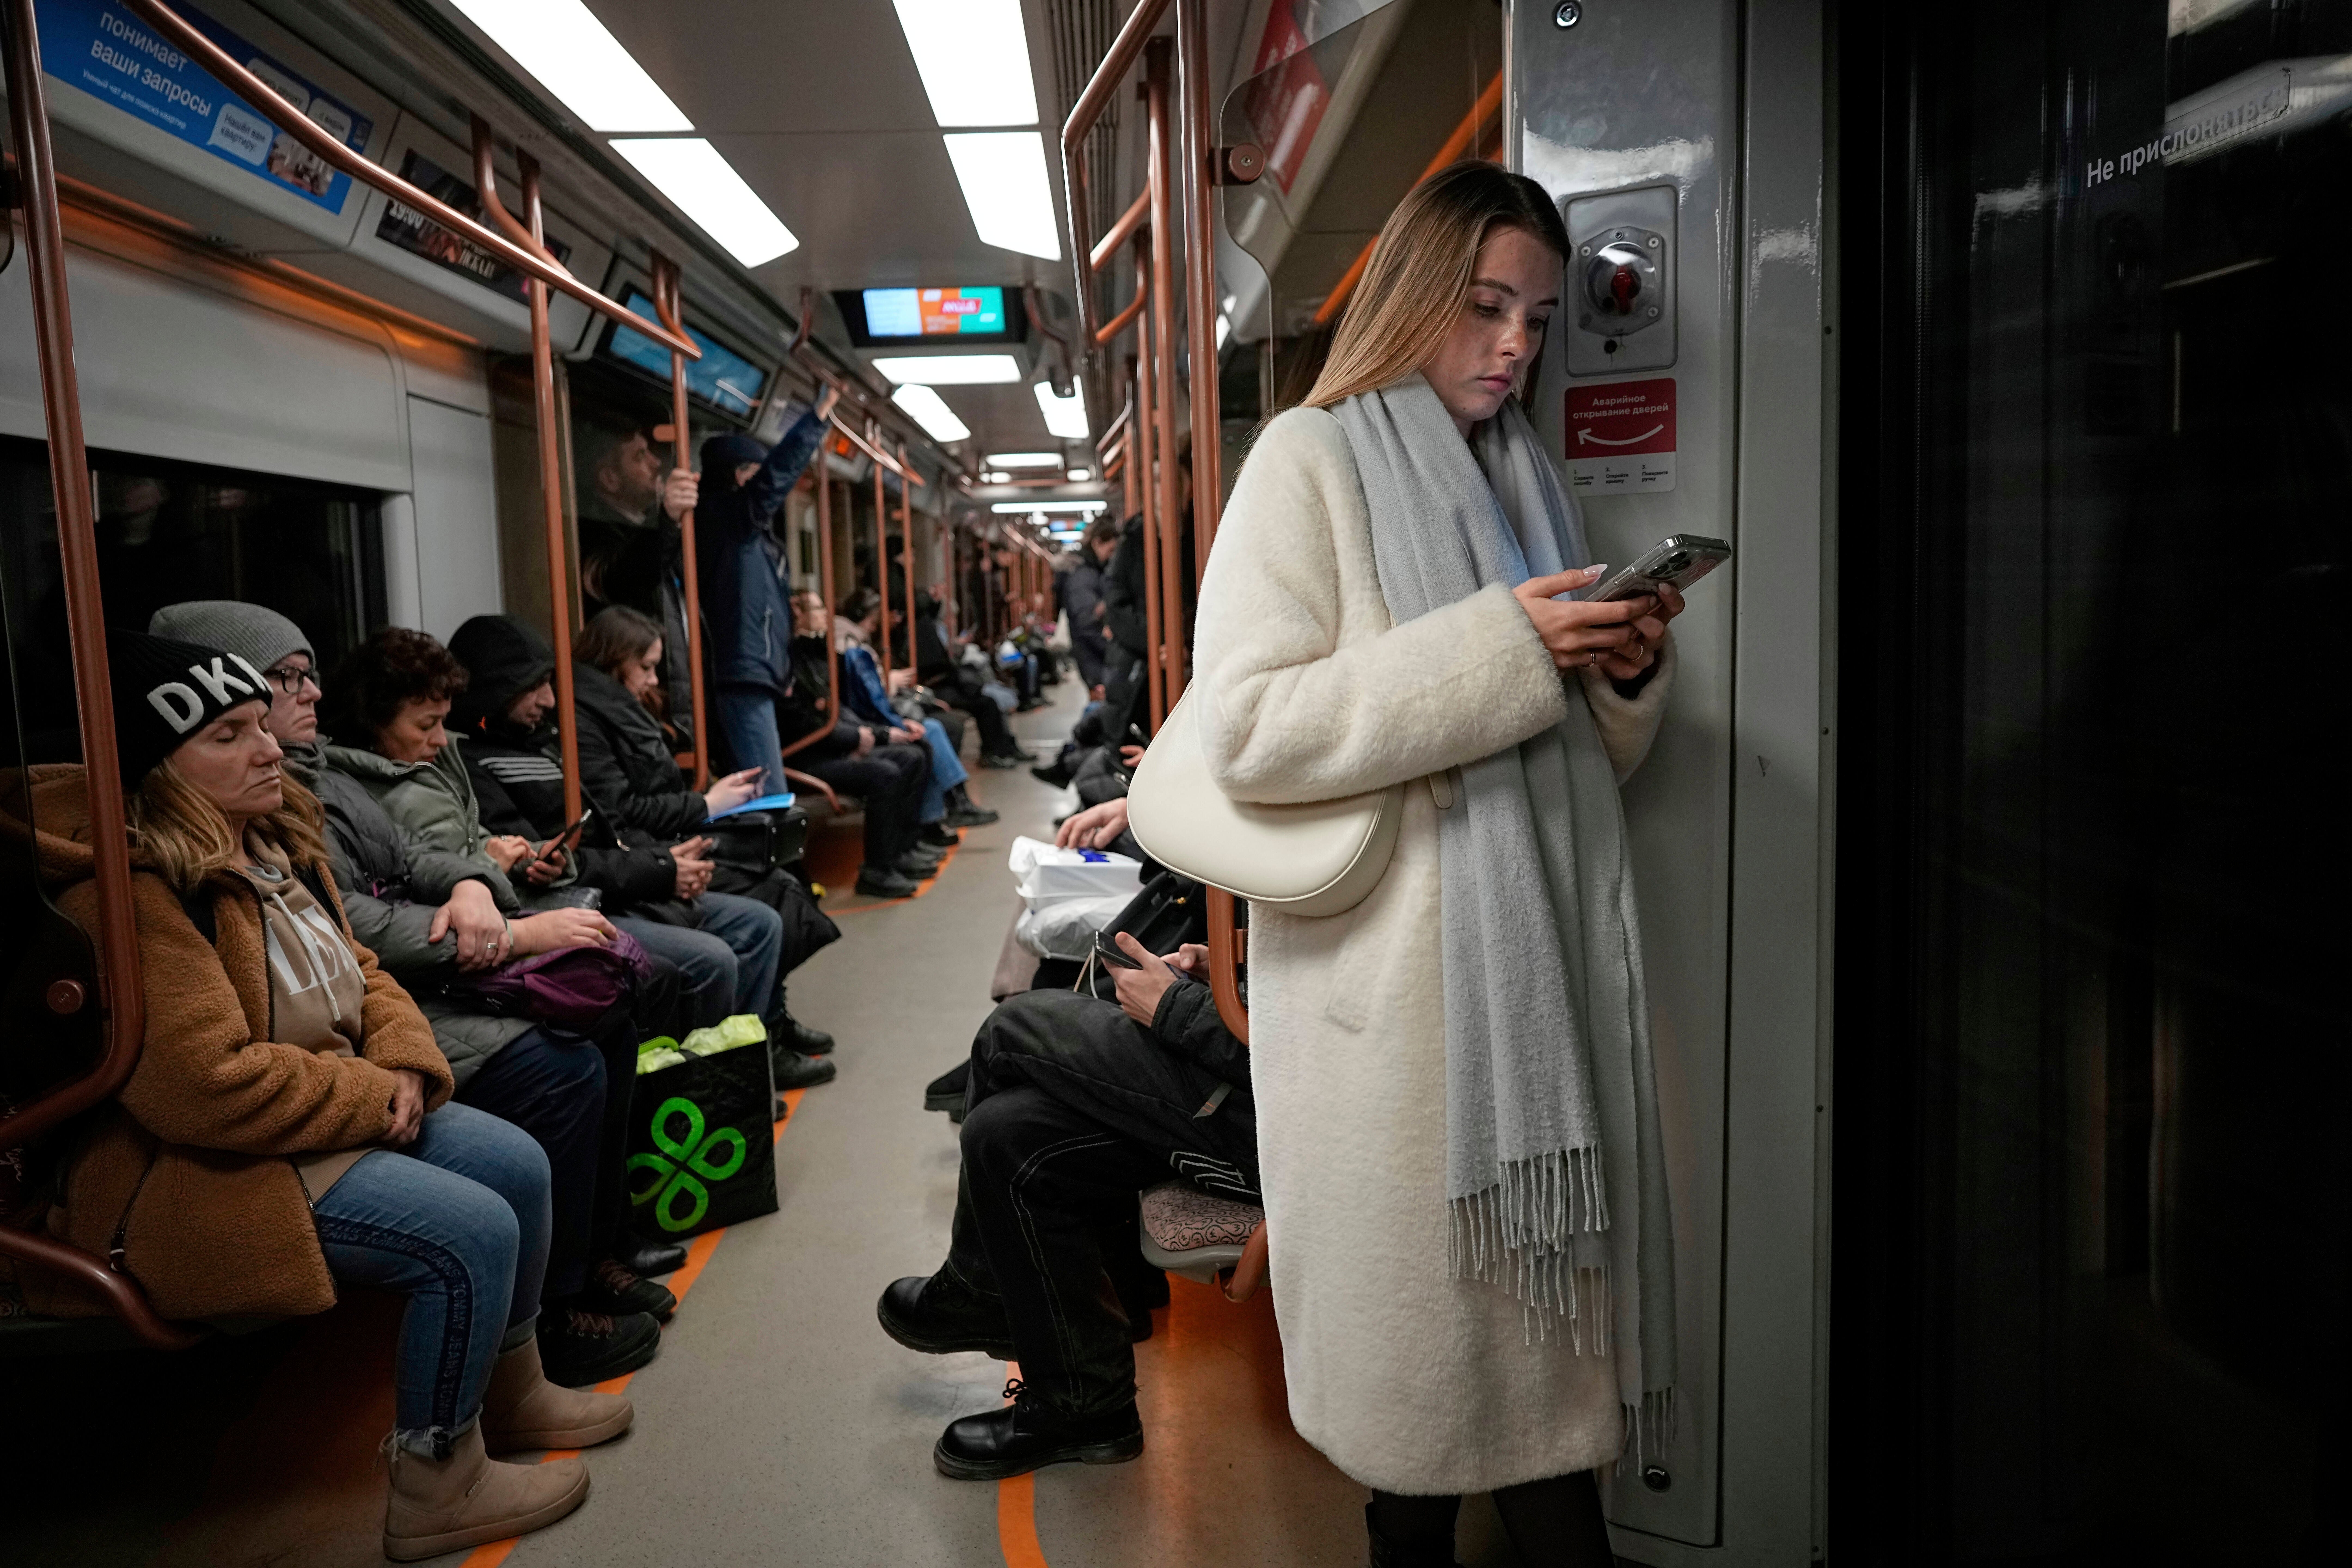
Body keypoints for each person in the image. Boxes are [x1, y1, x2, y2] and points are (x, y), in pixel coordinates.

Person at [1186, 161, 1686, 1566]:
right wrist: (1511, 649)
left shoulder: (1528, 478)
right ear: (1414, 297)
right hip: (1397, 1020)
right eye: (1484, 308)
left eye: (1536, 316)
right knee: (1428, 1416)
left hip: (1531, 998)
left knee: (1499, 1412)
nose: (1516, 345)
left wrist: (1617, 678)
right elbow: (1250, 729)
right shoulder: (1311, 457)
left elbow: (1573, 773)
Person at [1, 628, 631, 1560]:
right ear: (158, 768)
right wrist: (373, 1098)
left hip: (325, 1109)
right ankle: (436, 1481)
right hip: (199, 1166)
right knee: (470, 1231)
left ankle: (514, 1392)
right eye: (227, 735)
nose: (268, 748)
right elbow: (197, 1089)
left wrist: (410, 1065)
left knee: (519, 1164)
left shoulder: (272, 842)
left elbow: (365, 971)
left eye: (262, 723)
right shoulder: (132, 895)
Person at [157, 606, 677, 1375]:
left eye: (309, 676)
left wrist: (471, 883)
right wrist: (507, 931)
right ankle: (559, 1309)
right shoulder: (206, 853)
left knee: (610, 1020)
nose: (306, 698)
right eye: (282, 683)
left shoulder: (313, 785)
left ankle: (594, 1254)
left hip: (390, 1009)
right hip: (363, 1036)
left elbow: (394, 888)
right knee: (559, 1068)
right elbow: (356, 936)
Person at [877, 910, 1254, 1480]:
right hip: (1256, 1067)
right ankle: (1089, 1405)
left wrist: (1179, 1010)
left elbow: (1330, 1044)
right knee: (1005, 1137)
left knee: (1015, 1026)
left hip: (1274, 1123)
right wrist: (1235, 975)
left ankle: (981, 1289)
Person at [443, 614, 803, 1056]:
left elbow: (602, 826)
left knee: (761, 919)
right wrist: (666, 865)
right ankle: (700, 1091)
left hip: (622, 872)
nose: (550, 700)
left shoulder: (544, 740)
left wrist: (669, 859)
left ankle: (751, 1062)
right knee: (712, 958)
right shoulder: (476, 763)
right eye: (533, 688)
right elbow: (558, 860)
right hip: (577, 898)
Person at [562, 606, 842, 1091]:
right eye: (645, 667)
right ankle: (761, 1042)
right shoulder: (588, 722)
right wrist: (708, 804)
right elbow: (623, 810)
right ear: (615, 661)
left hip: (664, 840)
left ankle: (769, 1027)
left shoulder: (620, 708)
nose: (652, 679)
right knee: (772, 891)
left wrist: (711, 800)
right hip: (649, 849)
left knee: (781, 874)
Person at [695, 392, 837, 795]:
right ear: (739, 476)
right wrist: (817, 418)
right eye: (754, 474)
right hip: (741, 675)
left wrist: (783, 672)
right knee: (768, 796)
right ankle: (775, 860)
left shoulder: (752, 538)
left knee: (765, 790)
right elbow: (774, 481)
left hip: (759, 673)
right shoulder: (728, 520)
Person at [778, 589, 941, 899]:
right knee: (886, 773)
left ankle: (901, 850)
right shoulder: (790, 665)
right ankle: (877, 870)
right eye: (816, 609)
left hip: (832, 743)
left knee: (916, 754)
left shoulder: (818, 657)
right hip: (807, 754)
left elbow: (838, 711)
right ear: (797, 614)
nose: (825, 614)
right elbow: (804, 723)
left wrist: (877, 731)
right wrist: (860, 737)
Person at [833, 587, 984, 848]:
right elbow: (864, 697)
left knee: (941, 728)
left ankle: (940, 814)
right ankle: (937, 815)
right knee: (931, 734)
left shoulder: (860, 641)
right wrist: (889, 684)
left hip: (873, 715)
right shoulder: (850, 645)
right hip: (864, 721)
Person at [1062, 517, 1118, 697]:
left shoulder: (1091, 572)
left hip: (1095, 657)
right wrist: (1112, 649)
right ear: (1097, 543)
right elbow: (1087, 622)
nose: (1112, 556)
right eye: (1110, 550)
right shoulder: (1084, 577)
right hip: (1095, 659)